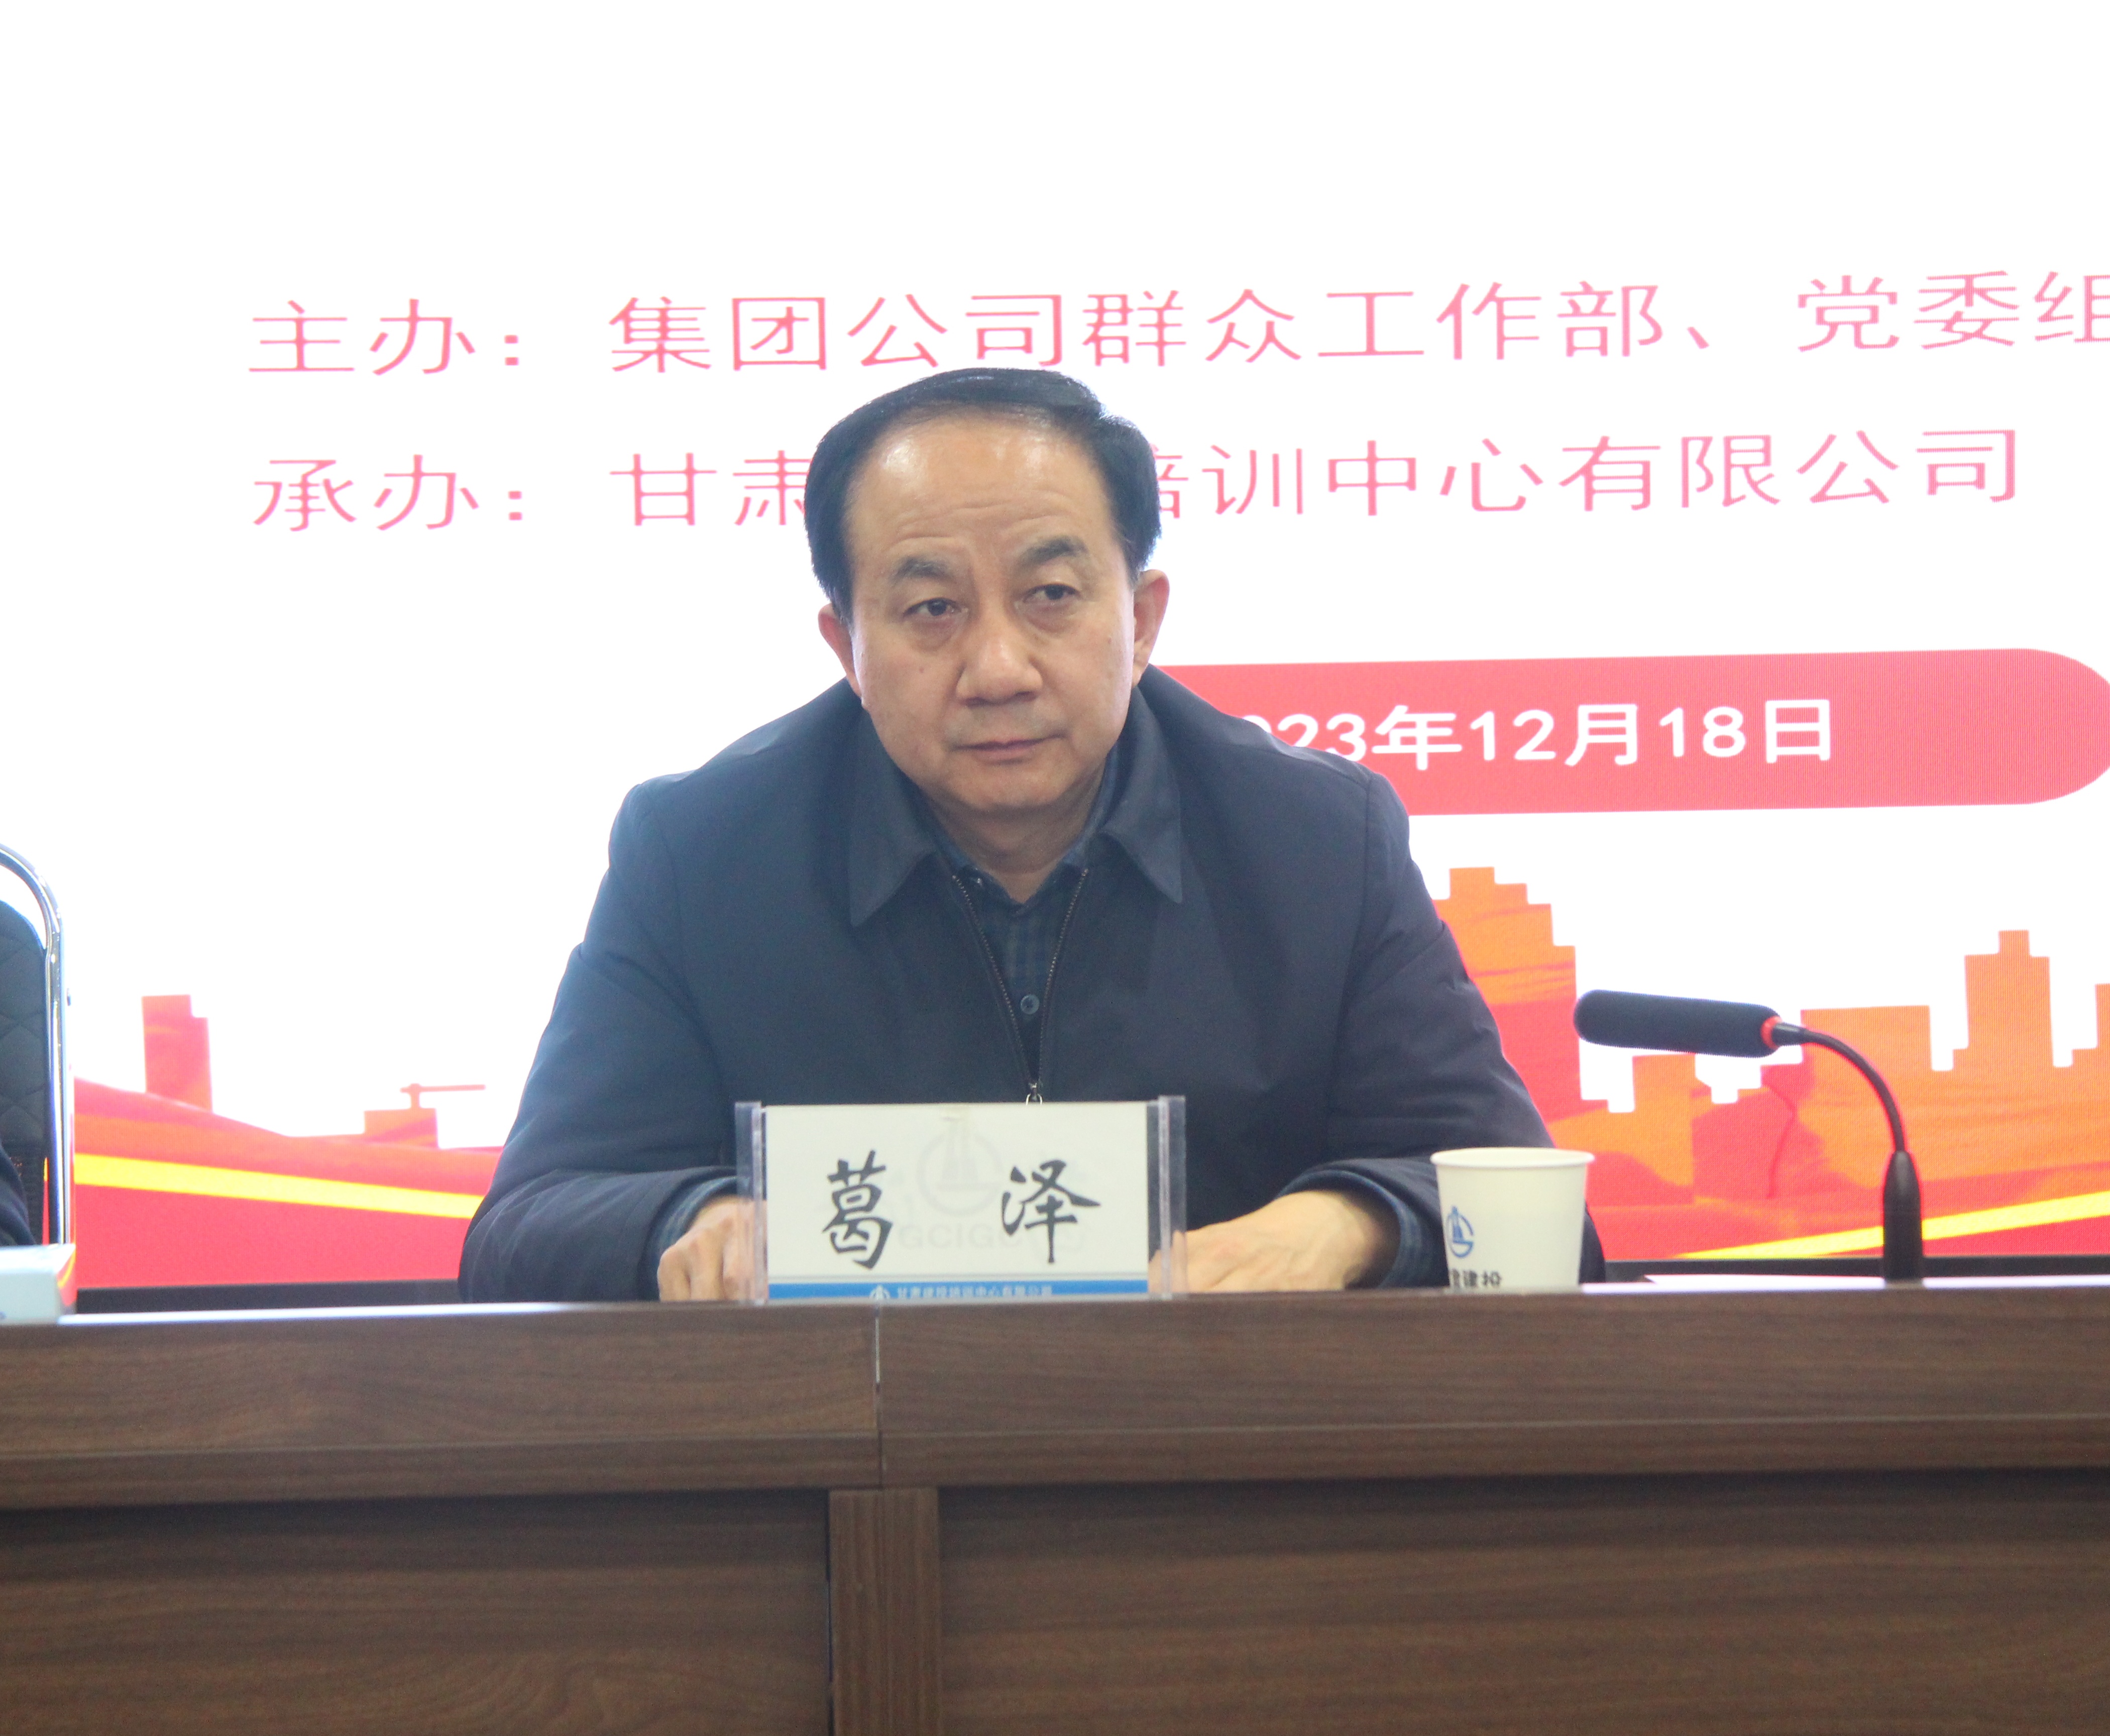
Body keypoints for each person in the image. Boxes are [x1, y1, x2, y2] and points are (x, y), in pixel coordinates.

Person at [462, 369, 1600, 1301]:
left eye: (1051, 595)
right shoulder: (700, 853)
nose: (998, 669)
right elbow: (525, 1225)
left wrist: (1345, 1223)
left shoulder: (1315, 842)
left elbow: (1526, 1206)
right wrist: (692, 1218)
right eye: (931, 610)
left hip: (1218, 1455)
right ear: (845, 645)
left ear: (1140, 619)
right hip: (851, 1454)